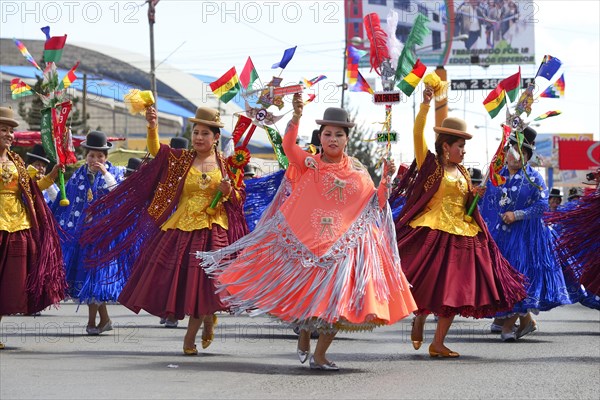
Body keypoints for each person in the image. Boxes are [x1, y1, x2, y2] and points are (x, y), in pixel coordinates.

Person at [197, 94, 417, 371]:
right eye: (327, 134)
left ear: (347, 138)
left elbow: (376, 203)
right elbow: (288, 145)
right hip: (307, 242)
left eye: (338, 134)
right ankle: (303, 337)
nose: (332, 139)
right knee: (308, 301)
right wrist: (297, 115)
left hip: (342, 246)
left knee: (336, 305)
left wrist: (387, 179)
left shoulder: (359, 170)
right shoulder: (307, 163)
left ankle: (321, 354)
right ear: (320, 136)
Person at [80, 106, 249, 355]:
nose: (199, 137)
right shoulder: (181, 160)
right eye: (196, 132)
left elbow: (238, 199)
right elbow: (157, 151)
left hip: (214, 230)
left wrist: (228, 192)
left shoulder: (227, 166)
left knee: (208, 283)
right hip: (181, 228)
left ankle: (196, 330)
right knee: (189, 283)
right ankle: (203, 320)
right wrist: (152, 126)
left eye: (205, 133)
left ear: (215, 138)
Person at [390, 88, 526, 357]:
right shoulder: (430, 164)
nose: (464, 151)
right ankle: (419, 318)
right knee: (426, 284)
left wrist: (473, 194)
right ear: (445, 146)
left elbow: (462, 202)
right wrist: (426, 105)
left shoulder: (463, 171)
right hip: (431, 234)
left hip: (462, 235)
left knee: (454, 290)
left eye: (464, 146)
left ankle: (437, 343)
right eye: (460, 146)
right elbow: (418, 135)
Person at [479, 126, 571, 341]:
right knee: (502, 278)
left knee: (520, 277)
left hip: (525, 238)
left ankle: (508, 325)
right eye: (511, 152)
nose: (514, 157)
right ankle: (523, 320)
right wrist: (479, 194)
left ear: (528, 156)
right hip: (500, 238)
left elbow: (542, 206)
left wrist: (517, 214)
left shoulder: (534, 179)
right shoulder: (496, 176)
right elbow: (487, 204)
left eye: (520, 153)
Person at [0, 106, 66, 350]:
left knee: (8, 280)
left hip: (18, 226)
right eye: (3, 130)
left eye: (10, 131)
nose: (8, 135)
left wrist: (54, 173)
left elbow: (34, 189)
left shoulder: (17, 162)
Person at [52, 130, 126, 336]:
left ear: (106, 157)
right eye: (92, 155)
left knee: (95, 278)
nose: (95, 159)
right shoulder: (79, 175)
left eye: (100, 156)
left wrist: (104, 173)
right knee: (87, 278)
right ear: (86, 156)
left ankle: (95, 321)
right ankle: (102, 320)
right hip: (83, 235)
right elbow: (65, 198)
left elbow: (118, 194)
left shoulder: (115, 174)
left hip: (103, 236)